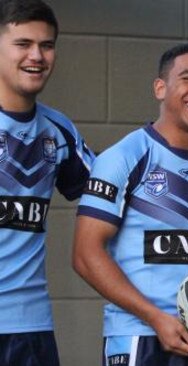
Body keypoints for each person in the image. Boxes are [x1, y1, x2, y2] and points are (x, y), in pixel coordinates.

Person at [72, 42, 188, 366]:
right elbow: (86, 255)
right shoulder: (124, 157)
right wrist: (155, 317)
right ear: (160, 88)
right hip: (138, 336)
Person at [0, 1, 94, 365]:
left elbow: (114, 188)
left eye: (47, 45)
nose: (37, 56)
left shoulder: (59, 131)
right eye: (23, 43)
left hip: (30, 326)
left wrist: (182, 133)